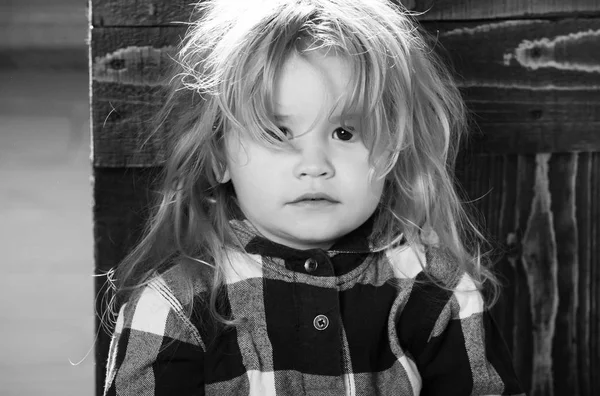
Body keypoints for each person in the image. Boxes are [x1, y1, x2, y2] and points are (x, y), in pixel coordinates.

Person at [102, 0, 525, 394]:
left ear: (394, 149)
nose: (315, 164)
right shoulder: (176, 308)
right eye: (277, 133)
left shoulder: (435, 291)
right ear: (218, 157)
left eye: (345, 132)